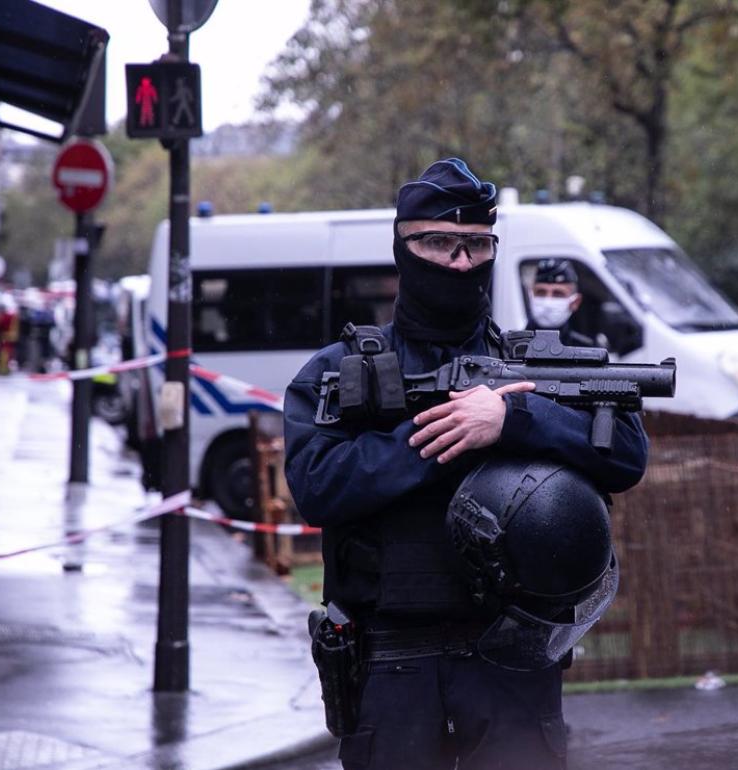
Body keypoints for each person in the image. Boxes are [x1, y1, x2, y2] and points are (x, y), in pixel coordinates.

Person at [283, 158, 648, 769]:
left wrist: (512, 422)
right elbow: (318, 487)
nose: (459, 262)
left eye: (477, 246)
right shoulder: (338, 370)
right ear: (402, 249)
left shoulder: (538, 365)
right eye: (439, 242)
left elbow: (627, 456)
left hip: (511, 658)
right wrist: (441, 438)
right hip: (390, 663)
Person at [526, 258, 594, 347]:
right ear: (530, 296)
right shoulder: (512, 346)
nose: (547, 303)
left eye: (558, 294)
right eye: (541, 292)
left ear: (575, 302)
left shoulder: (585, 349)